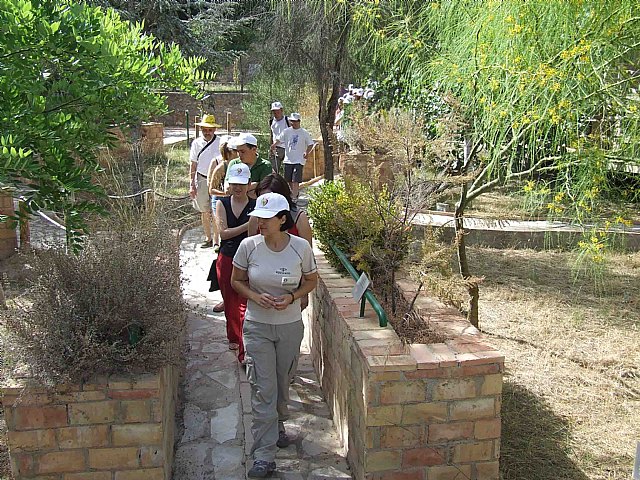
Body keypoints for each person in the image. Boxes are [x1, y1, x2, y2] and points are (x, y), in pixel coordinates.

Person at [231, 193, 318, 478]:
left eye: (268, 218)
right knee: (263, 388)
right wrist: (256, 297)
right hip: (257, 326)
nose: (260, 222)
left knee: (282, 384)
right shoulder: (248, 246)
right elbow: (236, 281)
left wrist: (292, 297)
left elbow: (311, 280)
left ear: (283, 220)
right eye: (258, 217)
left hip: (290, 327)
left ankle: (278, 426)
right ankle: (264, 456)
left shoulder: (301, 248)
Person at [249, 173, 312, 310]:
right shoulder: (255, 220)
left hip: (290, 292)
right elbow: (250, 254)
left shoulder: (299, 219)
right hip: (261, 292)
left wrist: (302, 294)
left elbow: (307, 262)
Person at [216, 163, 255, 360]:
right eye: (234, 183)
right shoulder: (221, 203)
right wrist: (248, 224)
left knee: (245, 304)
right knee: (230, 301)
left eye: (241, 183)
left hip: (249, 259)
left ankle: (244, 343)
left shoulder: (257, 205)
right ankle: (234, 336)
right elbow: (223, 233)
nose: (237, 188)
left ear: (249, 184)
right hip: (228, 257)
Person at [207, 136, 238, 313]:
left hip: (235, 202)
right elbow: (211, 189)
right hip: (222, 202)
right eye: (235, 151)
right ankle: (225, 298)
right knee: (223, 246)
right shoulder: (222, 167)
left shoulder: (242, 168)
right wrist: (227, 195)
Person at [189, 114, 222, 248]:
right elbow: (193, 164)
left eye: (210, 129)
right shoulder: (196, 143)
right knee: (204, 210)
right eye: (205, 129)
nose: (207, 132)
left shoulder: (220, 142)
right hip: (201, 178)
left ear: (214, 129)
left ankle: (216, 240)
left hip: (216, 179)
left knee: (216, 210)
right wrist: (192, 183)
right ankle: (208, 238)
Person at [272, 113, 315, 202]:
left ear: (299, 121)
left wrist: (306, 153)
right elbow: (279, 140)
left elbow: (310, 144)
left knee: (295, 179)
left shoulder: (304, 133)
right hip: (288, 159)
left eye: (295, 121)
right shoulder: (286, 131)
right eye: (292, 121)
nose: (293, 123)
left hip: (299, 159)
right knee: (289, 179)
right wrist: (273, 145)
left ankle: (294, 196)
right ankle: (292, 194)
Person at [225, 133, 272, 199]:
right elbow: (227, 187)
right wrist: (255, 185)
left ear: (254, 149)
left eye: (243, 151)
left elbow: (264, 189)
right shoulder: (234, 163)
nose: (239, 155)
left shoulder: (265, 166)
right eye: (238, 152)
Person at [268, 101, 290, 175]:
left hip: (287, 148)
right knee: (274, 170)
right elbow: (272, 135)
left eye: (277, 111)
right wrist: (271, 147)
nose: (276, 113)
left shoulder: (287, 120)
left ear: (281, 110)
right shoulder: (271, 121)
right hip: (276, 148)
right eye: (274, 111)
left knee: (288, 171)